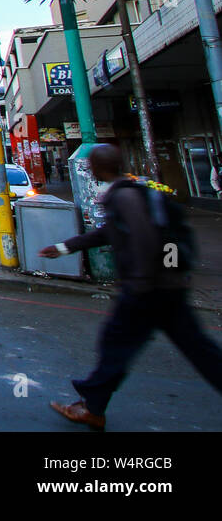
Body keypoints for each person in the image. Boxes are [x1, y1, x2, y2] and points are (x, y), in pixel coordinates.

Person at [40, 143, 222, 430]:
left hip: (148, 291)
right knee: (197, 348)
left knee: (115, 345)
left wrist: (141, 284)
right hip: (167, 287)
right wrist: (64, 247)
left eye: (92, 165)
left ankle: (93, 407)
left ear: (100, 168)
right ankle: (94, 406)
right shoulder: (138, 191)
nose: (90, 169)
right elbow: (110, 234)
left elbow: (145, 239)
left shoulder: (124, 198)